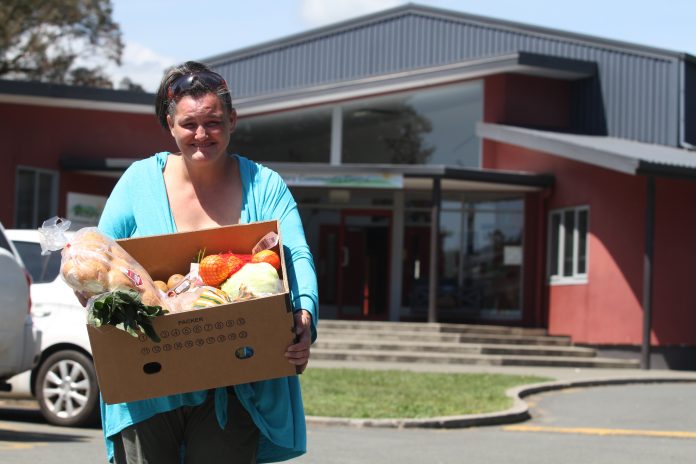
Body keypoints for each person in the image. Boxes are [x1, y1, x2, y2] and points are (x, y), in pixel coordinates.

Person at [96, 60, 318, 463]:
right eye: (189, 124)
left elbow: (296, 253)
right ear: (170, 124)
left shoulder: (264, 185)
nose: (201, 135)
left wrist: (304, 314)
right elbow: (100, 257)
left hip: (235, 381)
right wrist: (92, 292)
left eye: (213, 122)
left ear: (232, 120)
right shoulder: (138, 183)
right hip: (148, 381)